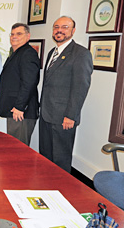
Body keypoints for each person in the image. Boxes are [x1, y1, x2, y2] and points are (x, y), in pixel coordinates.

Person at [39, 16, 93, 172]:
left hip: (64, 117)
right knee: (46, 157)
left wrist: (71, 115)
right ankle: (46, 189)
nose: (59, 30)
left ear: (73, 31)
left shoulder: (81, 54)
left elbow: (81, 87)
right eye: (56, 27)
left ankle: (61, 192)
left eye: (64, 27)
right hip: (47, 115)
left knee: (60, 160)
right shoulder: (52, 52)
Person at [0, 23, 40, 145]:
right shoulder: (16, 53)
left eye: (19, 34)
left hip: (21, 112)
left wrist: (20, 107)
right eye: (12, 34)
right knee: (14, 148)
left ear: (28, 36)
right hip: (15, 110)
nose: (14, 37)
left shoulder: (28, 53)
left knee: (19, 148)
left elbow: (29, 82)